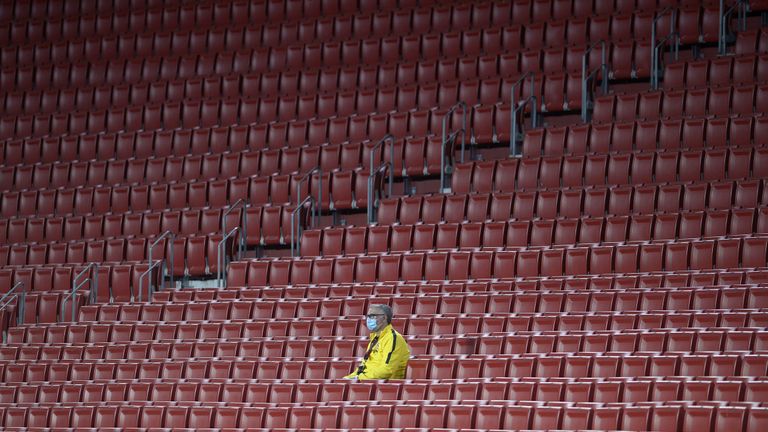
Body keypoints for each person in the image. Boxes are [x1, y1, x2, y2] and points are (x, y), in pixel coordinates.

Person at [345, 304, 411, 380]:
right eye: (368, 316)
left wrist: (359, 378)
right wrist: (348, 378)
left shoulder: (393, 338)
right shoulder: (375, 338)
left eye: (372, 316)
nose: (369, 319)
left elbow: (386, 370)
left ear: (384, 318)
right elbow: (363, 366)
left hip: (386, 386)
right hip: (368, 381)